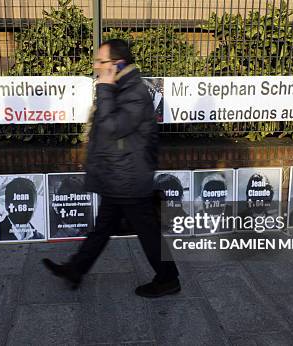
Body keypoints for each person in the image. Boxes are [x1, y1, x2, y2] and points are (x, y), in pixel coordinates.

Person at [42, 39, 180, 298]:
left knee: (145, 231)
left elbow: (113, 128)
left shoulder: (134, 92)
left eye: (100, 61)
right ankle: (76, 269)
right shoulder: (121, 88)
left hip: (129, 178)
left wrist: (104, 88)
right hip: (120, 174)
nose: (95, 66)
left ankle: (168, 278)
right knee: (104, 227)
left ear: (117, 64)